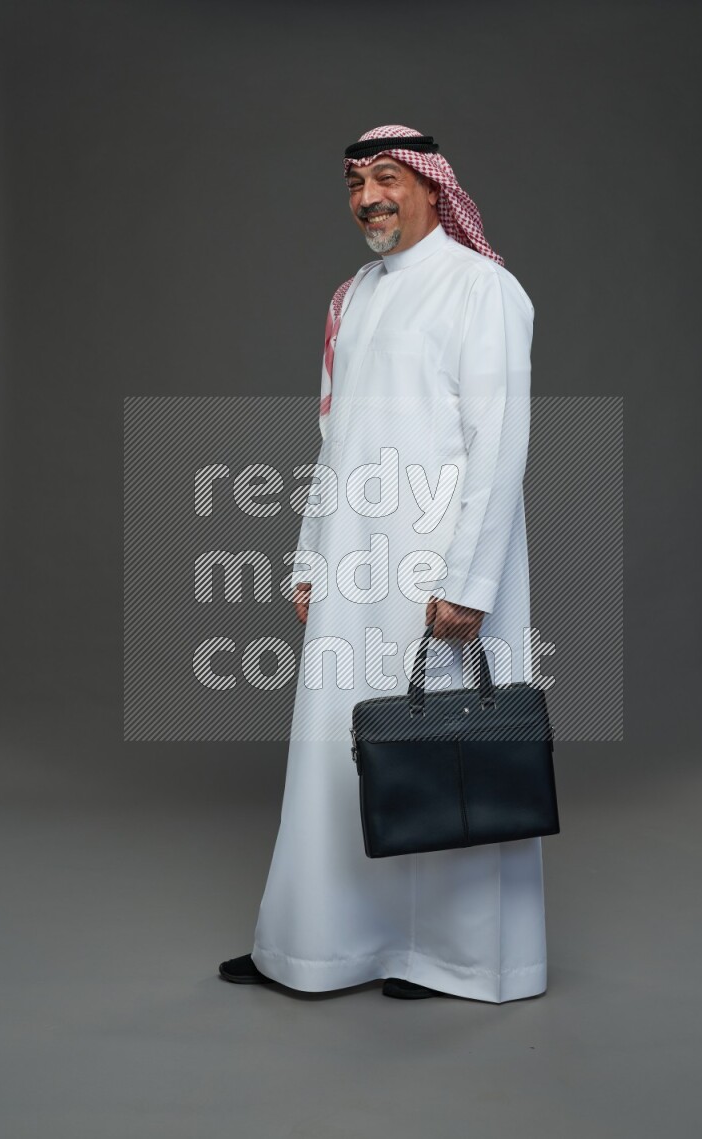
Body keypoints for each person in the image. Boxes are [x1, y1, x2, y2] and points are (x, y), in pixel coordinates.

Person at [218, 124, 545, 1002]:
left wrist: (469, 583)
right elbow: (336, 442)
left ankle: (453, 958)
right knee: (337, 749)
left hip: (438, 567)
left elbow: (500, 442)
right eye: (357, 181)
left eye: (389, 177)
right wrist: (309, 555)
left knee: (445, 751)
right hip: (354, 563)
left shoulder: (485, 289)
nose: (369, 196)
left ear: (436, 189)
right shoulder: (352, 297)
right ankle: (320, 945)